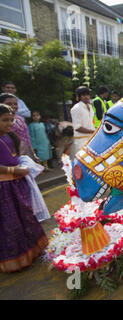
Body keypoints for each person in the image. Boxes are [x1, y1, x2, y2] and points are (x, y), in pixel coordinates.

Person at [0, 104, 48, 272]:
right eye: (5, 120)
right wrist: (16, 170)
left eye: (11, 120)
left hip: (17, 183)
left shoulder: (9, 136)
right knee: (11, 222)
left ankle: (33, 251)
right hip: (4, 187)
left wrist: (24, 164)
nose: (9, 124)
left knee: (26, 216)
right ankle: (17, 259)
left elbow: (15, 155)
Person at [0, 93, 39, 163]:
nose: (13, 106)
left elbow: (27, 138)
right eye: (9, 104)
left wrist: (33, 154)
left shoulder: (20, 119)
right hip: (10, 153)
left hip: (25, 152)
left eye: (15, 104)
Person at [70, 86, 95, 159]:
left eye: (87, 95)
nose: (86, 97)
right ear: (79, 97)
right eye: (83, 95)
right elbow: (77, 127)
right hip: (80, 141)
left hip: (90, 139)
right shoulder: (76, 108)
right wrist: (93, 131)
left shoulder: (90, 106)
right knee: (82, 161)